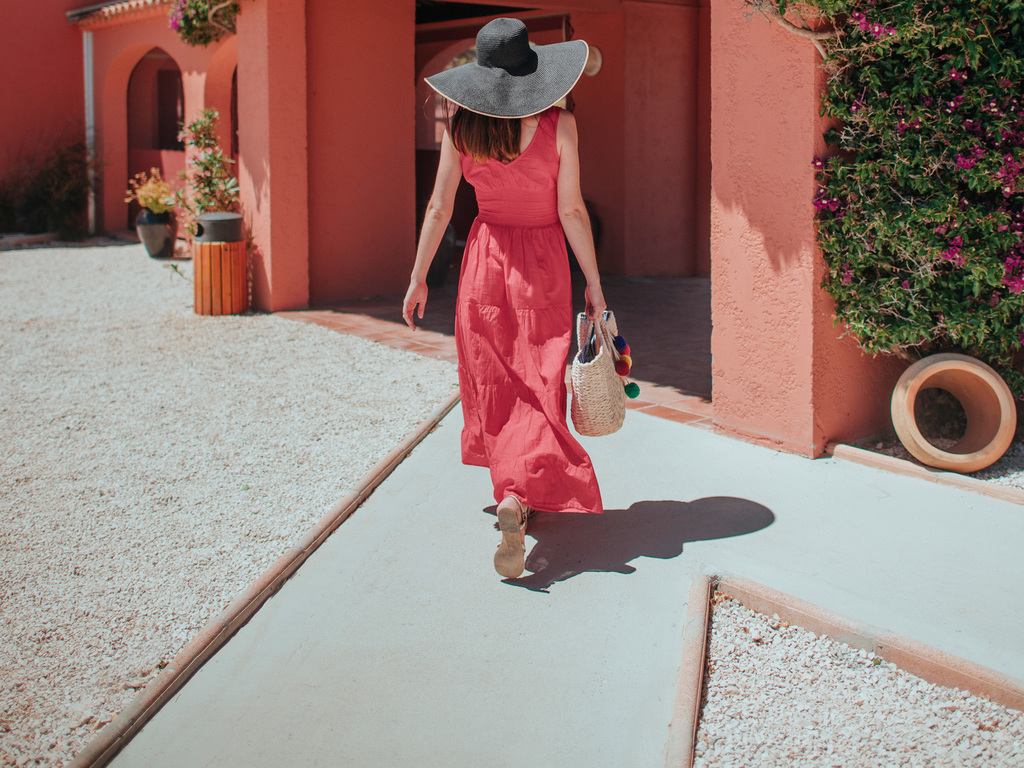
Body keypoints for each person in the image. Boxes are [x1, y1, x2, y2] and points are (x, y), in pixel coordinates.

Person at [403, 17, 606, 579]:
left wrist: (419, 276)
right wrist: (593, 280)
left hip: (485, 262)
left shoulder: (461, 127)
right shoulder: (558, 124)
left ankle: (512, 491)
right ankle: (521, 495)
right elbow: (571, 210)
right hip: (543, 265)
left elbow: (439, 209)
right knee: (540, 378)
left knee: (496, 381)